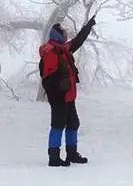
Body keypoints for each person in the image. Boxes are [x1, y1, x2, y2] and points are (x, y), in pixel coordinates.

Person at [39, 16, 96, 167]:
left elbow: (77, 41)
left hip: (69, 96)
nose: (66, 35)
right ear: (58, 36)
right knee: (58, 125)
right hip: (59, 98)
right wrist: (57, 93)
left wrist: (88, 27)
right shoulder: (52, 53)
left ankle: (71, 153)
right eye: (63, 33)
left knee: (73, 124)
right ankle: (54, 157)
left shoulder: (63, 49)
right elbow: (47, 79)